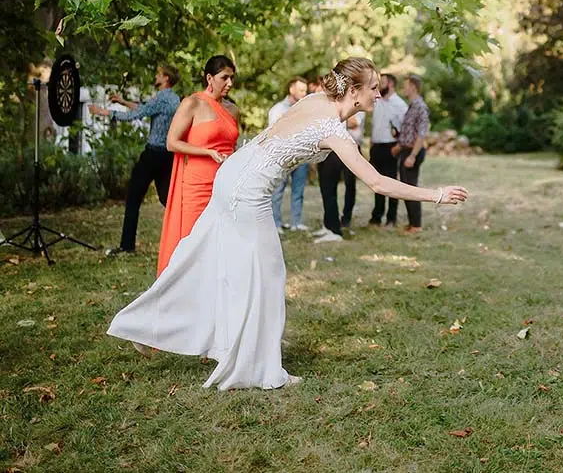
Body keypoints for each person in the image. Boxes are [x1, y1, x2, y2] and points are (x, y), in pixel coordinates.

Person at [106, 57, 468, 390]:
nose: (378, 93)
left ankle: (146, 325)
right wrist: (436, 195)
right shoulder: (333, 130)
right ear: (354, 91)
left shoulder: (315, 101)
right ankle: (260, 369)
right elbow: (377, 182)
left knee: (201, 256)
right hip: (249, 190)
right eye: (373, 87)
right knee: (267, 274)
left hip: (232, 172)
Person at [157, 56, 240, 275]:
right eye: (224, 78)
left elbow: (232, 146)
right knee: (193, 241)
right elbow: (172, 143)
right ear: (209, 78)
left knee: (221, 240)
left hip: (225, 182)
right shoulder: (192, 103)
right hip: (197, 184)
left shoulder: (233, 110)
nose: (230, 83)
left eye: (232, 78)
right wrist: (207, 152)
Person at [89, 65, 181, 255]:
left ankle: (127, 246)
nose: (156, 76)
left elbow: (136, 115)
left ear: (166, 78)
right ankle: (184, 237)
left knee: (133, 198)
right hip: (168, 156)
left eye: (159, 74)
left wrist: (103, 112)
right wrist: (123, 101)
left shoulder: (162, 97)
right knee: (168, 199)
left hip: (152, 155)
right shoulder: (174, 99)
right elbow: (147, 109)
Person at [313, 110, 365, 243]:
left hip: (348, 148)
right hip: (328, 149)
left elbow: (353, 123)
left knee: (346, 186)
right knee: (327, 188)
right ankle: (328, 225)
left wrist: (332, 116)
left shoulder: (354, 104)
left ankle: (337, 228)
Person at [268, 77, 310, 233]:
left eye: (305, 91)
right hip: (283, 157)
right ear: (291, 90)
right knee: (277, 191)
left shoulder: (306, 109)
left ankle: (296, 223)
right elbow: (273, 134)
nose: (304, 93)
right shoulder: (278, 109)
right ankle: (276, 224)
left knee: (298, 191)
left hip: (302, 156)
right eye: (301, 90)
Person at [369, 73, 408, 227]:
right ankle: (376, 216)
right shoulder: (377, 101)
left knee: (391, 182)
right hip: (376, 147)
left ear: (391, 84)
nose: (379, 85)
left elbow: (406, 129)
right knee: (376, 181)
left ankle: (391, 218)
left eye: (383, 82)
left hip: (391, 147)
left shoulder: (400, 104)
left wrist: (398, 147)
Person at [393, 74, 430, 233]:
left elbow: (421, 134)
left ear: (413, 87)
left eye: (405, 85)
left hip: (413, 152)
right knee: (406, 187)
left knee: (411, 187)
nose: (403, 88)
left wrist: (412, 156)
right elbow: (409, 132)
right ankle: (412, 223)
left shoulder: (420, 107)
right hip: (406, 150)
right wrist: (400, 145)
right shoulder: (411, 106)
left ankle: (416, 225)